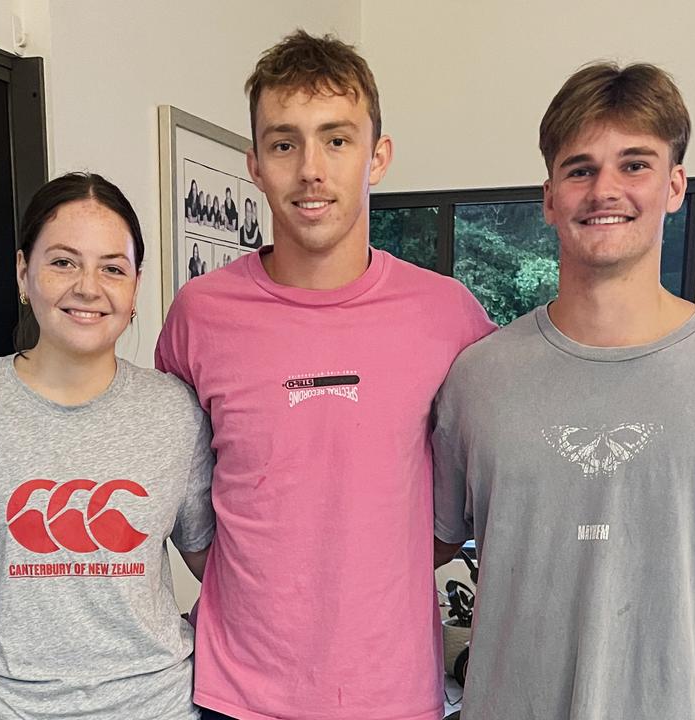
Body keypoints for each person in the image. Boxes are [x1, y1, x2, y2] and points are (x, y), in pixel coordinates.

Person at [431, 62, 695, 720]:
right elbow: (417, 547)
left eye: (634, 164)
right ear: (549, 196)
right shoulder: (478, 376)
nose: (604, 189)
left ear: (674, 186)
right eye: (580, 169)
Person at [155, 31, 493, 720]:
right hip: (236, 693)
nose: (311, 169)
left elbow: (525, 442)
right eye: (285, 144)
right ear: (254, 164)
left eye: (336, 140)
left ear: (378, 157)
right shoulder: (200, 313)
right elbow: (142, 445)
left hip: (392, 695)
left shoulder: (448, 316)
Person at [0, 172, 215, 720]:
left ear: (135, 286)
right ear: (23, 273)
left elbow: (213, 560)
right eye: (63, 262)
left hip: (156, 706)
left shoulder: (177, 410)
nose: (88, 287)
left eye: (112, 268)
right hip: (5, 709)